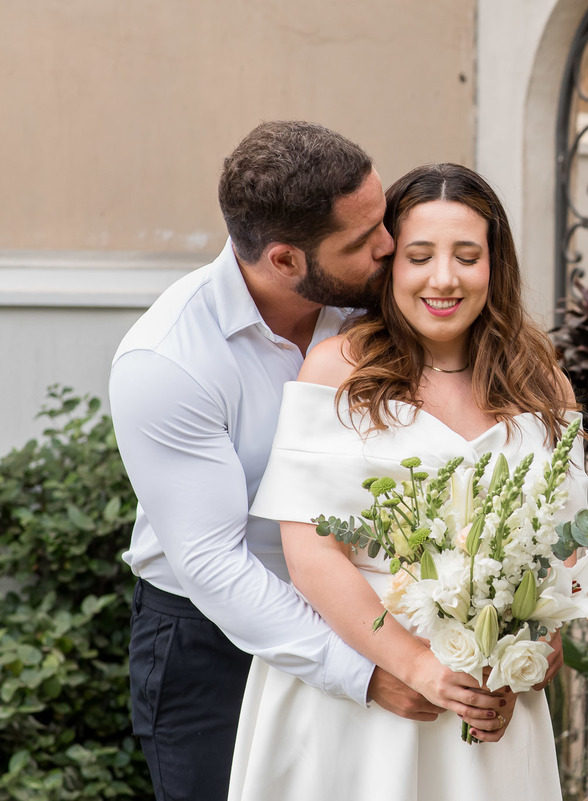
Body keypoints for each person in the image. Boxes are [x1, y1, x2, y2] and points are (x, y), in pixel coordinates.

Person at [227, 163, 585, 800]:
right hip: (361, 691)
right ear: (389, 263)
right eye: (419, 256)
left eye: (467, 257)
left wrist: (537, 643)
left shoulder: (543, 384)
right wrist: (415, 666)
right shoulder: (339, 370)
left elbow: (569, 543)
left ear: (494, 266)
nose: (443, 278)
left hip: (492, 695)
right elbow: (310, 552)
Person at [109, 121, 443, 801]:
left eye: (383, 218)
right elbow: (213, 562)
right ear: (286, 260)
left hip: (373, 614)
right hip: (213, 646)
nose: (390, 245)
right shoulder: (168, 360)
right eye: (363, 239)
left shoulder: (374, 306)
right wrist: (367, 671)